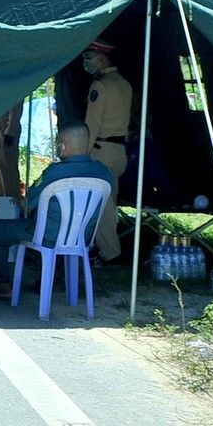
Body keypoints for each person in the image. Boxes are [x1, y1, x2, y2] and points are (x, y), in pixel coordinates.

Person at [0, 122, 112, 299]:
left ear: (62, 146)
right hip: (82, 238)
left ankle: (3, 283)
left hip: (46, 236)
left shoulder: (53, 173)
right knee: (55, 230)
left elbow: (27, 205)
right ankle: (49, 279)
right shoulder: (103, 173)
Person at [80, 38, 132, 263]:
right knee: (110, 201)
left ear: (102, 57)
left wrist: (82, 154)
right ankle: (101, 248)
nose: (86, 61)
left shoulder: (100, 86)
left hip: (100, 150)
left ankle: (110, 252)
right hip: (119, 151)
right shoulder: (123, 83)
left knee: (101, 205)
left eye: (89, 56)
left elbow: (92, 125)